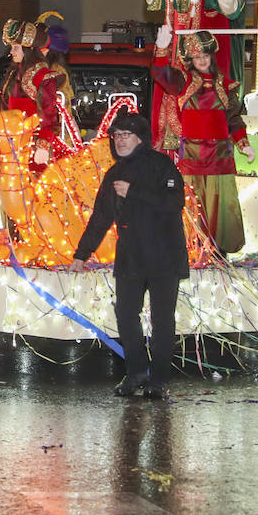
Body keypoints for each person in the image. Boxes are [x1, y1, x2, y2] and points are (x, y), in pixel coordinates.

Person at [69, 112, 188, 398]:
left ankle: (159, 379)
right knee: (125, 314)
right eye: (116, 136)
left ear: (140, 138)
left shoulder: (162, 165)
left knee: (162, 320)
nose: (120, 141)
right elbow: (100, 217)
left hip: (164, 255)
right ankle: (136, 373)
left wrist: (134, 193)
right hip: (131, 256)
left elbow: (174, 202)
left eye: (126, 135)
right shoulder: (115, 173)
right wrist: (81, 254)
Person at [150, 28, 254, 256]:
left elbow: (234, 120)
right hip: (192, 156)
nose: (202, 60)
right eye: (197, 57)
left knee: (221, 206)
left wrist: (243, 143)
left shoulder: (225, 85)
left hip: (220, 157)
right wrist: (161, 49)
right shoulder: (183, 81)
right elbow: (160, 74)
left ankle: (219, 252)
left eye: (205, 56)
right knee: (192, 203)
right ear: (190, 60)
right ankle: (191, 249)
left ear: (211, 56)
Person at [141, 0, 240, 151]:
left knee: (195, 109)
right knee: (167, 100)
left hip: (198, 63)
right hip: (174, 55)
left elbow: (231, 8)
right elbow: (154, 1)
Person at [0, 18, 68, 170]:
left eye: (15, 48)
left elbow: (49, 115)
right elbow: (2, 108)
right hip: (12, 149)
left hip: (35, 149)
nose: (11, 52)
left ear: (28, 49)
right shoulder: (13, 76)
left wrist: (43, 145)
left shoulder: (43, 76)